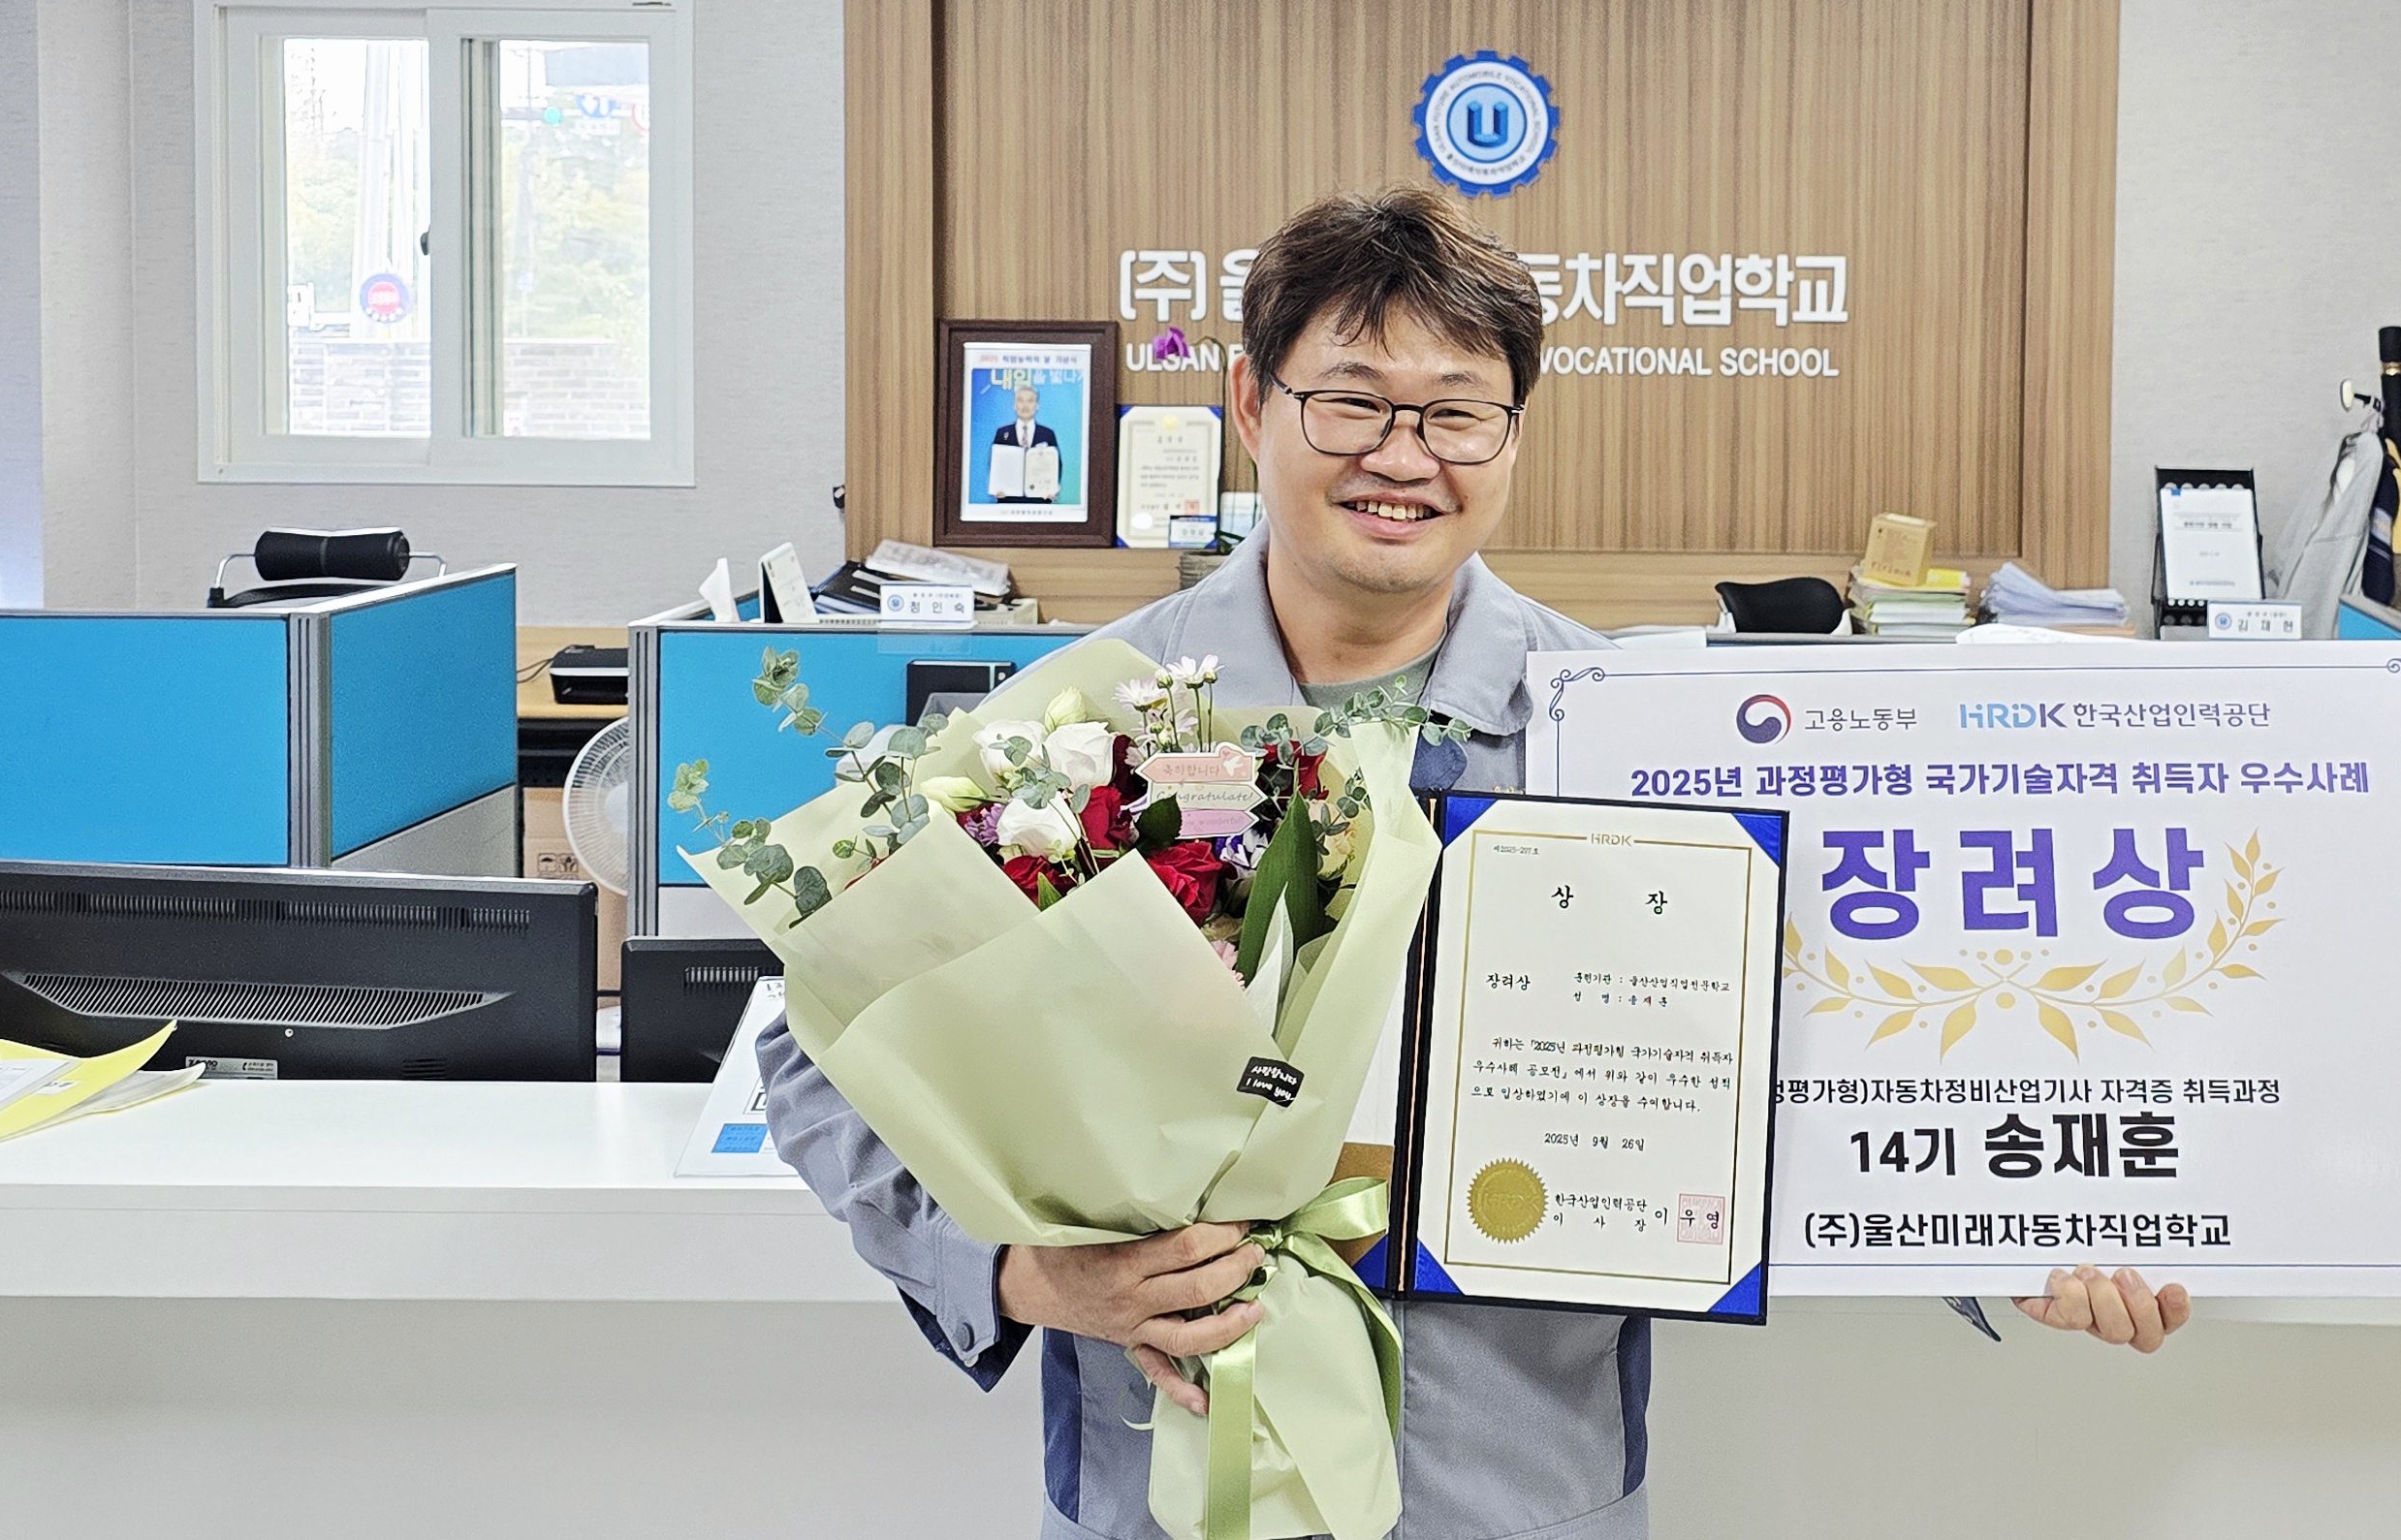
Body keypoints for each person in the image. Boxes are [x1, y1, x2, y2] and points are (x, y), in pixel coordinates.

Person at [760, 187, 2191, 1540]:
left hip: (1521, 1481)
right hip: (1173, 1485)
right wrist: (1018, 1273)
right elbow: (814, 1047)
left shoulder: (1631, 735)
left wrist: (2009, 1236)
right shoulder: (1077, 724)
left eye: (1457, 412)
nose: (1404, 457)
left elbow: (1822, 1038)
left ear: (1511, 437)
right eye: (1351, 402)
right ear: (1252, 402)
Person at [991, 380, 1062, 501]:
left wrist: (1052, 489)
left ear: (1037, 405)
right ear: (1014, 405)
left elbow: (1057, 464)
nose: (1025, 406)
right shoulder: (1002, 433)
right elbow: (996, 464)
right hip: (1008, 500)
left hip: (1039, 500)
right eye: (1020, 400)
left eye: (1030, 401)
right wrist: (996, 488)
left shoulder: (1047, 434)